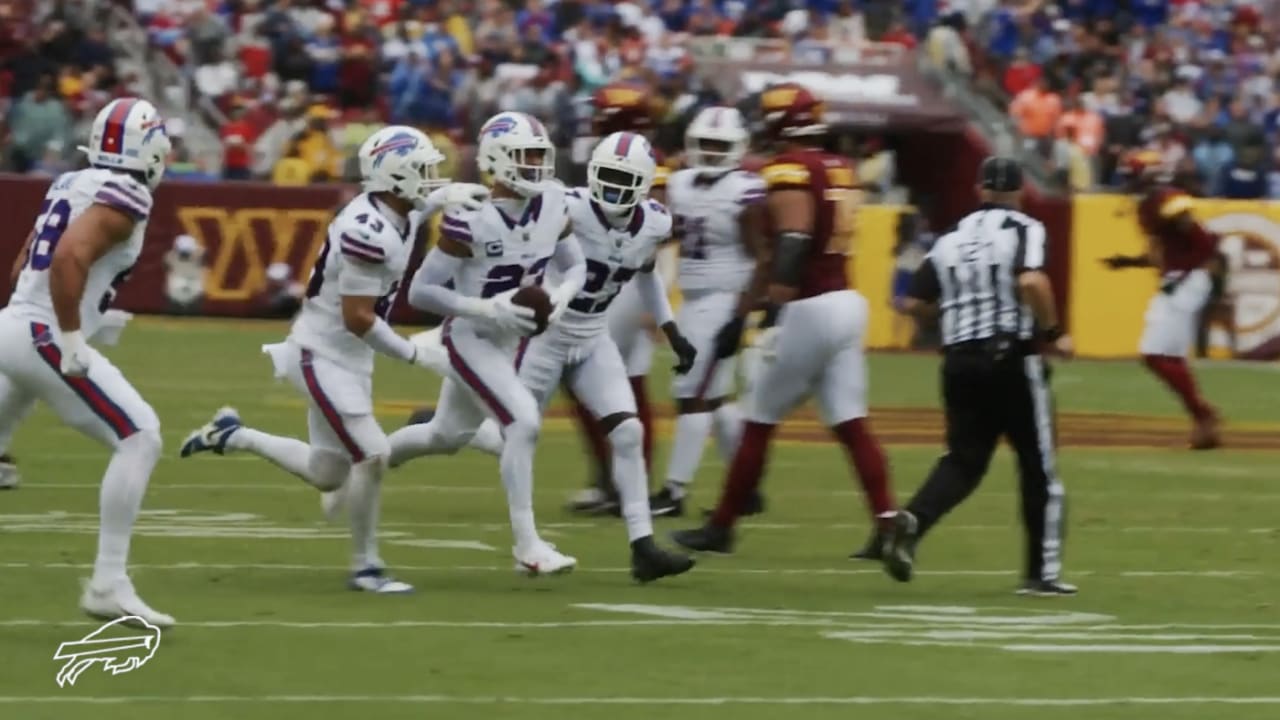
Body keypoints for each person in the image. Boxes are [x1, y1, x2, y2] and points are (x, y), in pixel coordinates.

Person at [180, 126, 484, 594]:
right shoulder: (368, 229)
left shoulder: (394, 209)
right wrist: (415, 353)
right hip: (321, 354)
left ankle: (232, 434)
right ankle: (367, 567)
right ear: (393, 177)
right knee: (374, 454)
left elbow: (418, 205)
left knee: (327, 473)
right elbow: (359, 317)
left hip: (347, 357)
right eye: (422, 171)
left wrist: (446, 193)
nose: (429, 178)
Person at [444, 132, 699, 582]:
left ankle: (643, 547)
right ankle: (448, 430)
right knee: (512, 436)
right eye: (608, 177)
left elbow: (647, 274)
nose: (614, 188)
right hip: (544, 336)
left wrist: (671, 328)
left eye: (625, 179)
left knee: (628, 431)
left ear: (643, 184)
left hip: (594, 337)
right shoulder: (567, 204)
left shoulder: (655, 222)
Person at [671, 83, 896, 556]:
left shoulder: (792, 168)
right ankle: (888, 520)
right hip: (845, 301)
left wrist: (770, 308)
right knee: (851, 422)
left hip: (808, 305)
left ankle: (722, 526)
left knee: (757, 418)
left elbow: (792, 242)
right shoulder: (840, 167)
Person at [387, 112, 587, 576]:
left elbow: (574, 268)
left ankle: (372, 458)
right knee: (523, 421)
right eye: (527, 156)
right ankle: (528, 547)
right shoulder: (472, 215)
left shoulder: (554, 202)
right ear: (497, 159)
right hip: (471, 335)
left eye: (541, 155)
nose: (537, 166)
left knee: (445, 435)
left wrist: (560, 297)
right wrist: (486, 308)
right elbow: (420, 291)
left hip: (509, 341)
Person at [0, 98, 174, 625]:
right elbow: (69, 257)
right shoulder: (127, 193)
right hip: (40, 334)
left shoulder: (71, 183)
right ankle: (107, 582)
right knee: (140, 435)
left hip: (13, 325)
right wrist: (73, 335)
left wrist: (93, 315)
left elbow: (21, 265)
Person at [883, 157, 1076, 596]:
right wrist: (1054, 333)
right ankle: (1040, 574)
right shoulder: (1024, 228)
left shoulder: (952, 237)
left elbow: (912, 302)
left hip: (958, 359)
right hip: (1011, 355)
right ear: (1020, 191)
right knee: (1038, 466)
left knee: (963, 461)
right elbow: (1031, 283)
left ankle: (914, 521)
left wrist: (954, 313)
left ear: (979, 189)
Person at [648, 105, 765, 518]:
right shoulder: (680, 183)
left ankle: (674, 492)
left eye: (721, 145)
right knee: (714, 398)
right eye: (706, 144)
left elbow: (761, 255)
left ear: (738, 147)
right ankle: (746, 487)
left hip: (725, 295)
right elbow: (666, 223)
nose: (713, 152)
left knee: (691, 395)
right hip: (694, 297)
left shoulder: (746, 190)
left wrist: (742, 313)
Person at [1102, 151, 1222, 449]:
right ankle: (1203, 422)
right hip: (1182, 279)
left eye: (1130, 176)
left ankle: (1204, 413)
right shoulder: (1153, 204)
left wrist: (1190, 265)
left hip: (1184, 281)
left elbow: (1200, 237)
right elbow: (1161, 253)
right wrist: (1128, 262)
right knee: (1170, 357)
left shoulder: (1166, 199)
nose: (1126, 184)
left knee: (1154, 355)